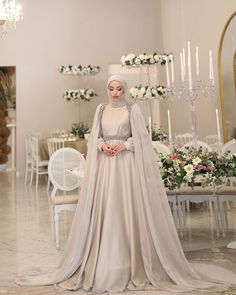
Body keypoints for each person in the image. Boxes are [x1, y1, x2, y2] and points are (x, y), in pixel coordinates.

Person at [16, 75, 236, 293]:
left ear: (125, 89)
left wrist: (126, 145)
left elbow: (141, 137)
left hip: (126, 165)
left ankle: (132, 260)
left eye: (119, 88)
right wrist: (102, 146)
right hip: (106, 165)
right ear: (107, 89)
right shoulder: (101, 110)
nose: (115, 92)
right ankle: (106, 258)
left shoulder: (133, 109)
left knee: (126, 207)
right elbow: (95, 136)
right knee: (107, 207)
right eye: (111, 88)